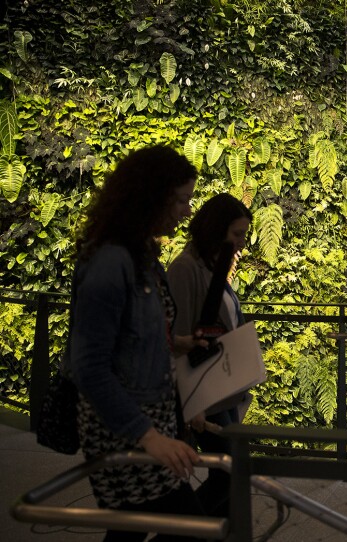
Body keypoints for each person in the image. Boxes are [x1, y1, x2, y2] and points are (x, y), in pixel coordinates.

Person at [67, 145, 204, 541]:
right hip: (124, 430)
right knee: (190, 527)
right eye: (181, 200)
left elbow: (133, 342)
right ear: (151, 197)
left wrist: (177, 343)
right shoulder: (112, 262)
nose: (186, 210)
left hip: (146, 426)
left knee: (131, 530)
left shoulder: (141, 255)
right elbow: (89, 365)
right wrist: (149, 436)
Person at [167, 193, 252, 517]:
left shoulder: (213, 268)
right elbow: (178, 339)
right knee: (229, 475)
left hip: (222, 393)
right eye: (237, 234)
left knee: (231, 476)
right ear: (216, 229)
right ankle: (181, 535)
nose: (241, 243)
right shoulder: (186, 269)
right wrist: (192, 402)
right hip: (204, 393)